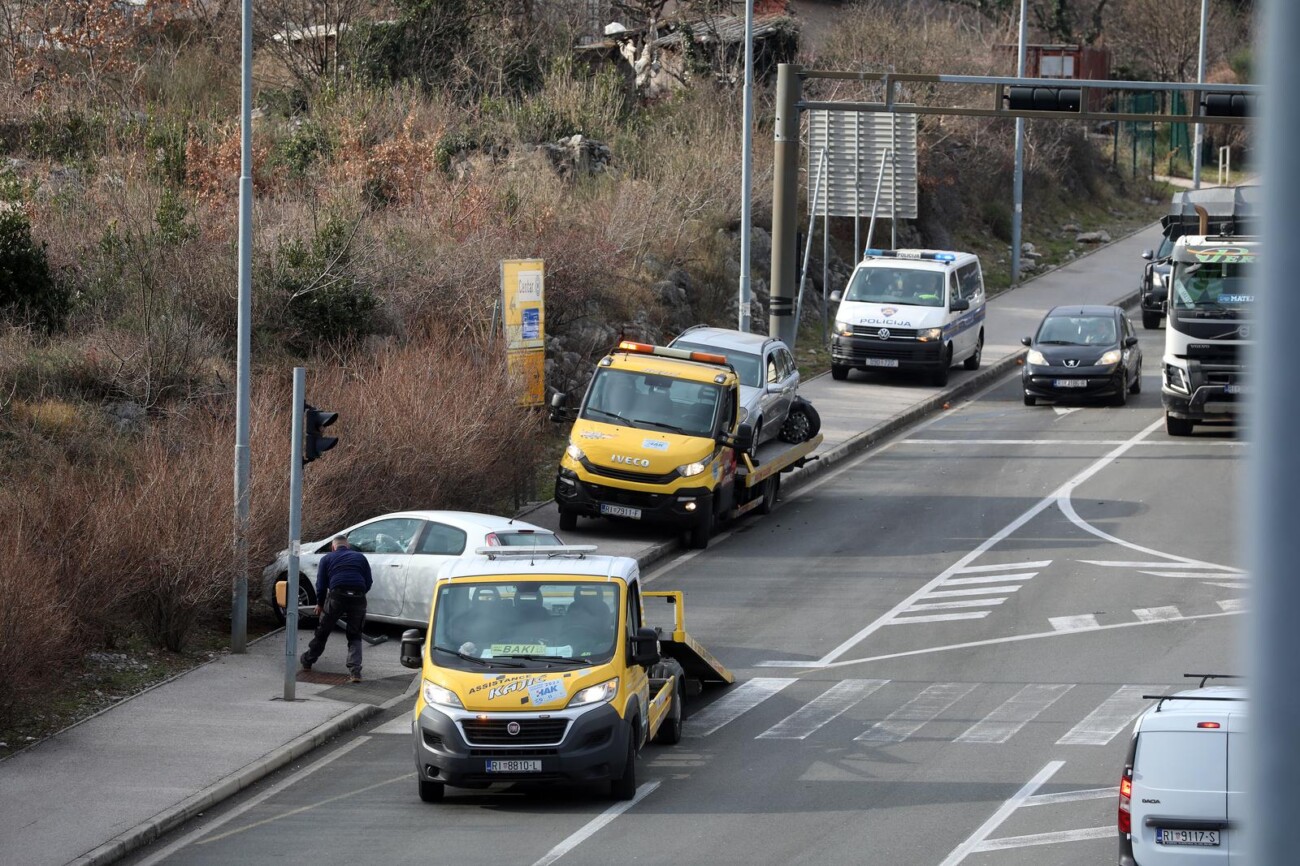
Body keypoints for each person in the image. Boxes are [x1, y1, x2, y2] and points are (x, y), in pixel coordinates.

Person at [300, 535, 372, 683]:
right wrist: (359, 594)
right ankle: (355, 672)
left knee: (323, 631)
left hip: (336, 596)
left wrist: (320, 604)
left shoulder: (327, 559)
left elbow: (321, 585)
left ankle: (308, 661)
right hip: (358, 596)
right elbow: (368, 581)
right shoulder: (360, 558)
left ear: (333, 547)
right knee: (355, 634)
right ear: (348, 546)